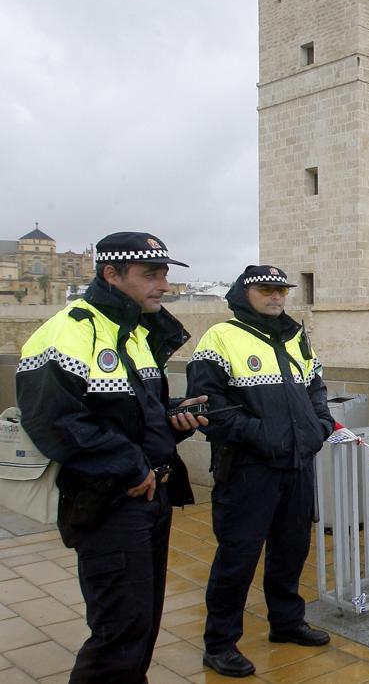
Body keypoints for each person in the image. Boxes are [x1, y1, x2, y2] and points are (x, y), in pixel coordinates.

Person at [16, 232, 206, 683]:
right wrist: (131, 464)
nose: (163, 284)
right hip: (109, 500)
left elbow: (130, 413)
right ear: (111, 274)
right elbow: (55, 421)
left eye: (165, 273)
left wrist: (171, 418)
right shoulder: (68, 331)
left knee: (142, 621)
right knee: (118, 630)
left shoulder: (137, 333)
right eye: (151, 274)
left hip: (150, 496)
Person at [186, 265, 334, 677]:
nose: (277, 297)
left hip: (297, 464)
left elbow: (315, 386)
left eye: (282, 291)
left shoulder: (295, 336)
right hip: (249, 468)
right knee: (238, 556)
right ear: (244, 293)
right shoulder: (221, 338)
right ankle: (219, 643)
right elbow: (207, 406)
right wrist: (263, 435)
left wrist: (317, 428)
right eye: (267, 290)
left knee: (291, 550)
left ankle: (286, 622)